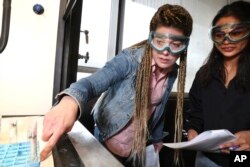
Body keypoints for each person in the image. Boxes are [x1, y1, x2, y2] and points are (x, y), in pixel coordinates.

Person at [41, 4, 193, 166]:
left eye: (175, 45)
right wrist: (70, 102)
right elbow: (93, 82)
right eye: (160, 41)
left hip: (138, 143)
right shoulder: (129, 59)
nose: (165, 51)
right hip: (109, 136)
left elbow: (158, 109)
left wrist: (156, 138)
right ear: (151, 39)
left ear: (184, 47)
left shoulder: (172, 72)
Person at [186, 1, 250, 167]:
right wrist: (193, 132)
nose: (226, 40)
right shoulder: (204, 74)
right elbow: (196, 113)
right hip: (205, 158)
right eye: (220, 34)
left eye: (236, 33)